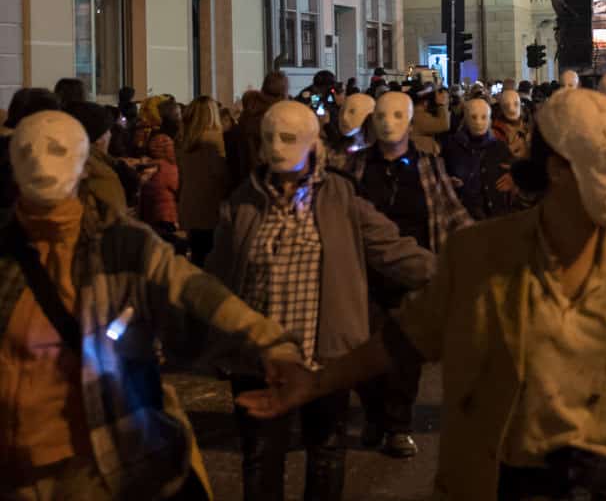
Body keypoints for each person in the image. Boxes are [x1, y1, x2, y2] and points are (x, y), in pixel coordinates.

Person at [238, 88, 606, 501]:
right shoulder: (482, 257)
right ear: (555, 169)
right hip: (516, 484)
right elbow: (406, 335)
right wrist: (316, 382)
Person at [1, 110, 305, 501]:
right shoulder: (6, 252)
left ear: (82, 160)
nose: (41, 163)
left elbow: (193, 292)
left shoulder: (122, 246)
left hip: (96, 470)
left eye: (57, 150)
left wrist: (269, 343)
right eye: (26, 151)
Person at [208, 101, 434, 500]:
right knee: (260, 459)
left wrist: (458, 276)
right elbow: (216, 278)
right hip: (259, 363)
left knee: (326, 454)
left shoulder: (340, 197)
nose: (276, 147)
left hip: (325, 358)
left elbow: (392, 249)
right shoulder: (241, 203)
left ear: (313, 143)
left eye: (289, 138)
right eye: (268, 138)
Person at [350, 91, 471, 456]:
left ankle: (397, 425)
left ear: (410, 121)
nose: (388, 123)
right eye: (381, 116)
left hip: (416, 272)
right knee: (363, 349)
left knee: (405, 354)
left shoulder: (428, 165)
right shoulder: (353, 167)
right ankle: (374, 415)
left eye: (397, 116)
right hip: (364, 274)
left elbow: (451, 211)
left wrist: (477, 249)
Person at [176, 96, 229, 266]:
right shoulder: (215, 140)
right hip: (211, 204)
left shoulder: (183, 140)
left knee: (198, 254)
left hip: (189, 202)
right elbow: (220, 173)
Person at [137, 96, 182, 244]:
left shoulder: (154, 138)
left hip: (154, 207)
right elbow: (174, 182)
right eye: (177, 114)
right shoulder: (166, 146)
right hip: (165, 209)